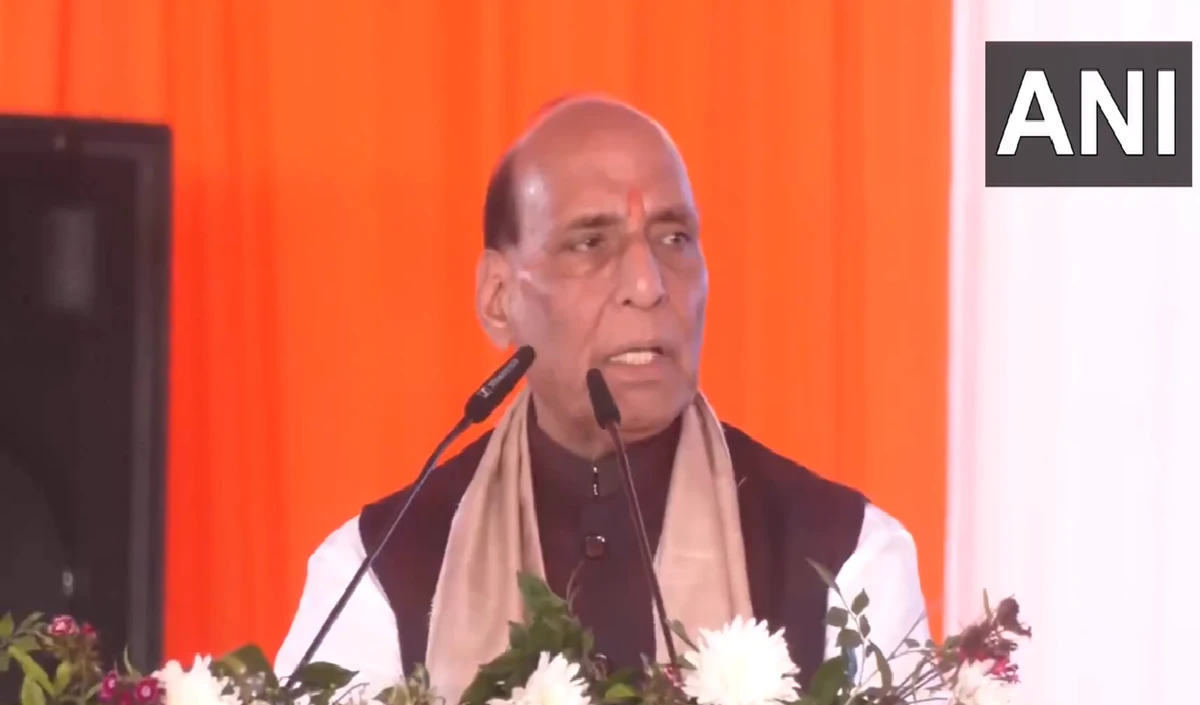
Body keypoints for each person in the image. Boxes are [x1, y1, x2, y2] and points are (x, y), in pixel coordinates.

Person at [275, 96, 930, 702]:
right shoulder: (379, 571)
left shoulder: (845, 556)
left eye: (674, 239)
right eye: (590, 242)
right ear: (499, 299)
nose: (648, 285)